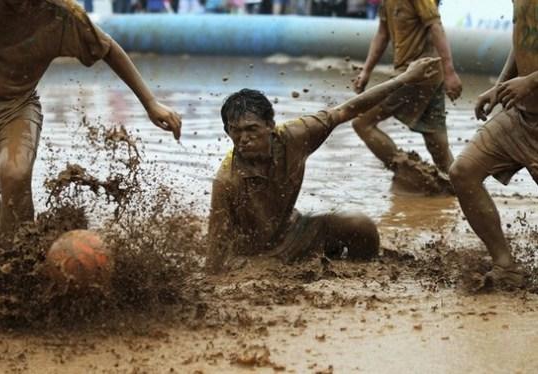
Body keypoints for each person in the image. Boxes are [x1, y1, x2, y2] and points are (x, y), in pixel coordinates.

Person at [0, 0, 182, 257]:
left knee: (15, 172)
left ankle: (19, 263)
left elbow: (107, 49)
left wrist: (151, 103)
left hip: (16, 109)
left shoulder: (60, 15)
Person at [206, 57, 441, 273]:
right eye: (234, 131)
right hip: (258, 256)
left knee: (359, 225)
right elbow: (216, 252)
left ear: (270, 125)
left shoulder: (295, 135)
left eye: (251, 129)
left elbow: (348, 109)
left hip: (294, 231)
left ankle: (361, 275)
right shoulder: (227, 181)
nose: (243, 139)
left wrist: (405, 78)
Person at [449, 0, 538, 288]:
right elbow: (523, 40)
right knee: (463, 172)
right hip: (521, 113)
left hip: (530, 93)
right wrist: (501, 87)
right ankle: (505, 265)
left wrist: (531, 81)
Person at [352, 0, 462, 184]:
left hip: (416, 73)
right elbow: (382, 33)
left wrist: (450, 72)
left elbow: (436, 26)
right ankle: (462, 191)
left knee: (362, 122)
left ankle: (410, 176)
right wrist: (366, 71)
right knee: (438, 146)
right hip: (429, 74)